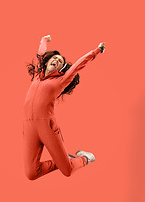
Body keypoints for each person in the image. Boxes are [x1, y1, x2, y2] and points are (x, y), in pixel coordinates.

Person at [23, 35, 105, 180]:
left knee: (67, 171)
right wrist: (43, 40)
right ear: (47, 62)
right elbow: (40, 54)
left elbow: (79, 65)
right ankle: (62, 160)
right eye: (55, 58)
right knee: (31, 173)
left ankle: (85, 158)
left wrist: (96, 51)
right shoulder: (37, 75)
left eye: (60, 61)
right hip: (29, 126)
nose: (57, 60)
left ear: (62, 68)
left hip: (47, 127)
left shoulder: (61, 80)